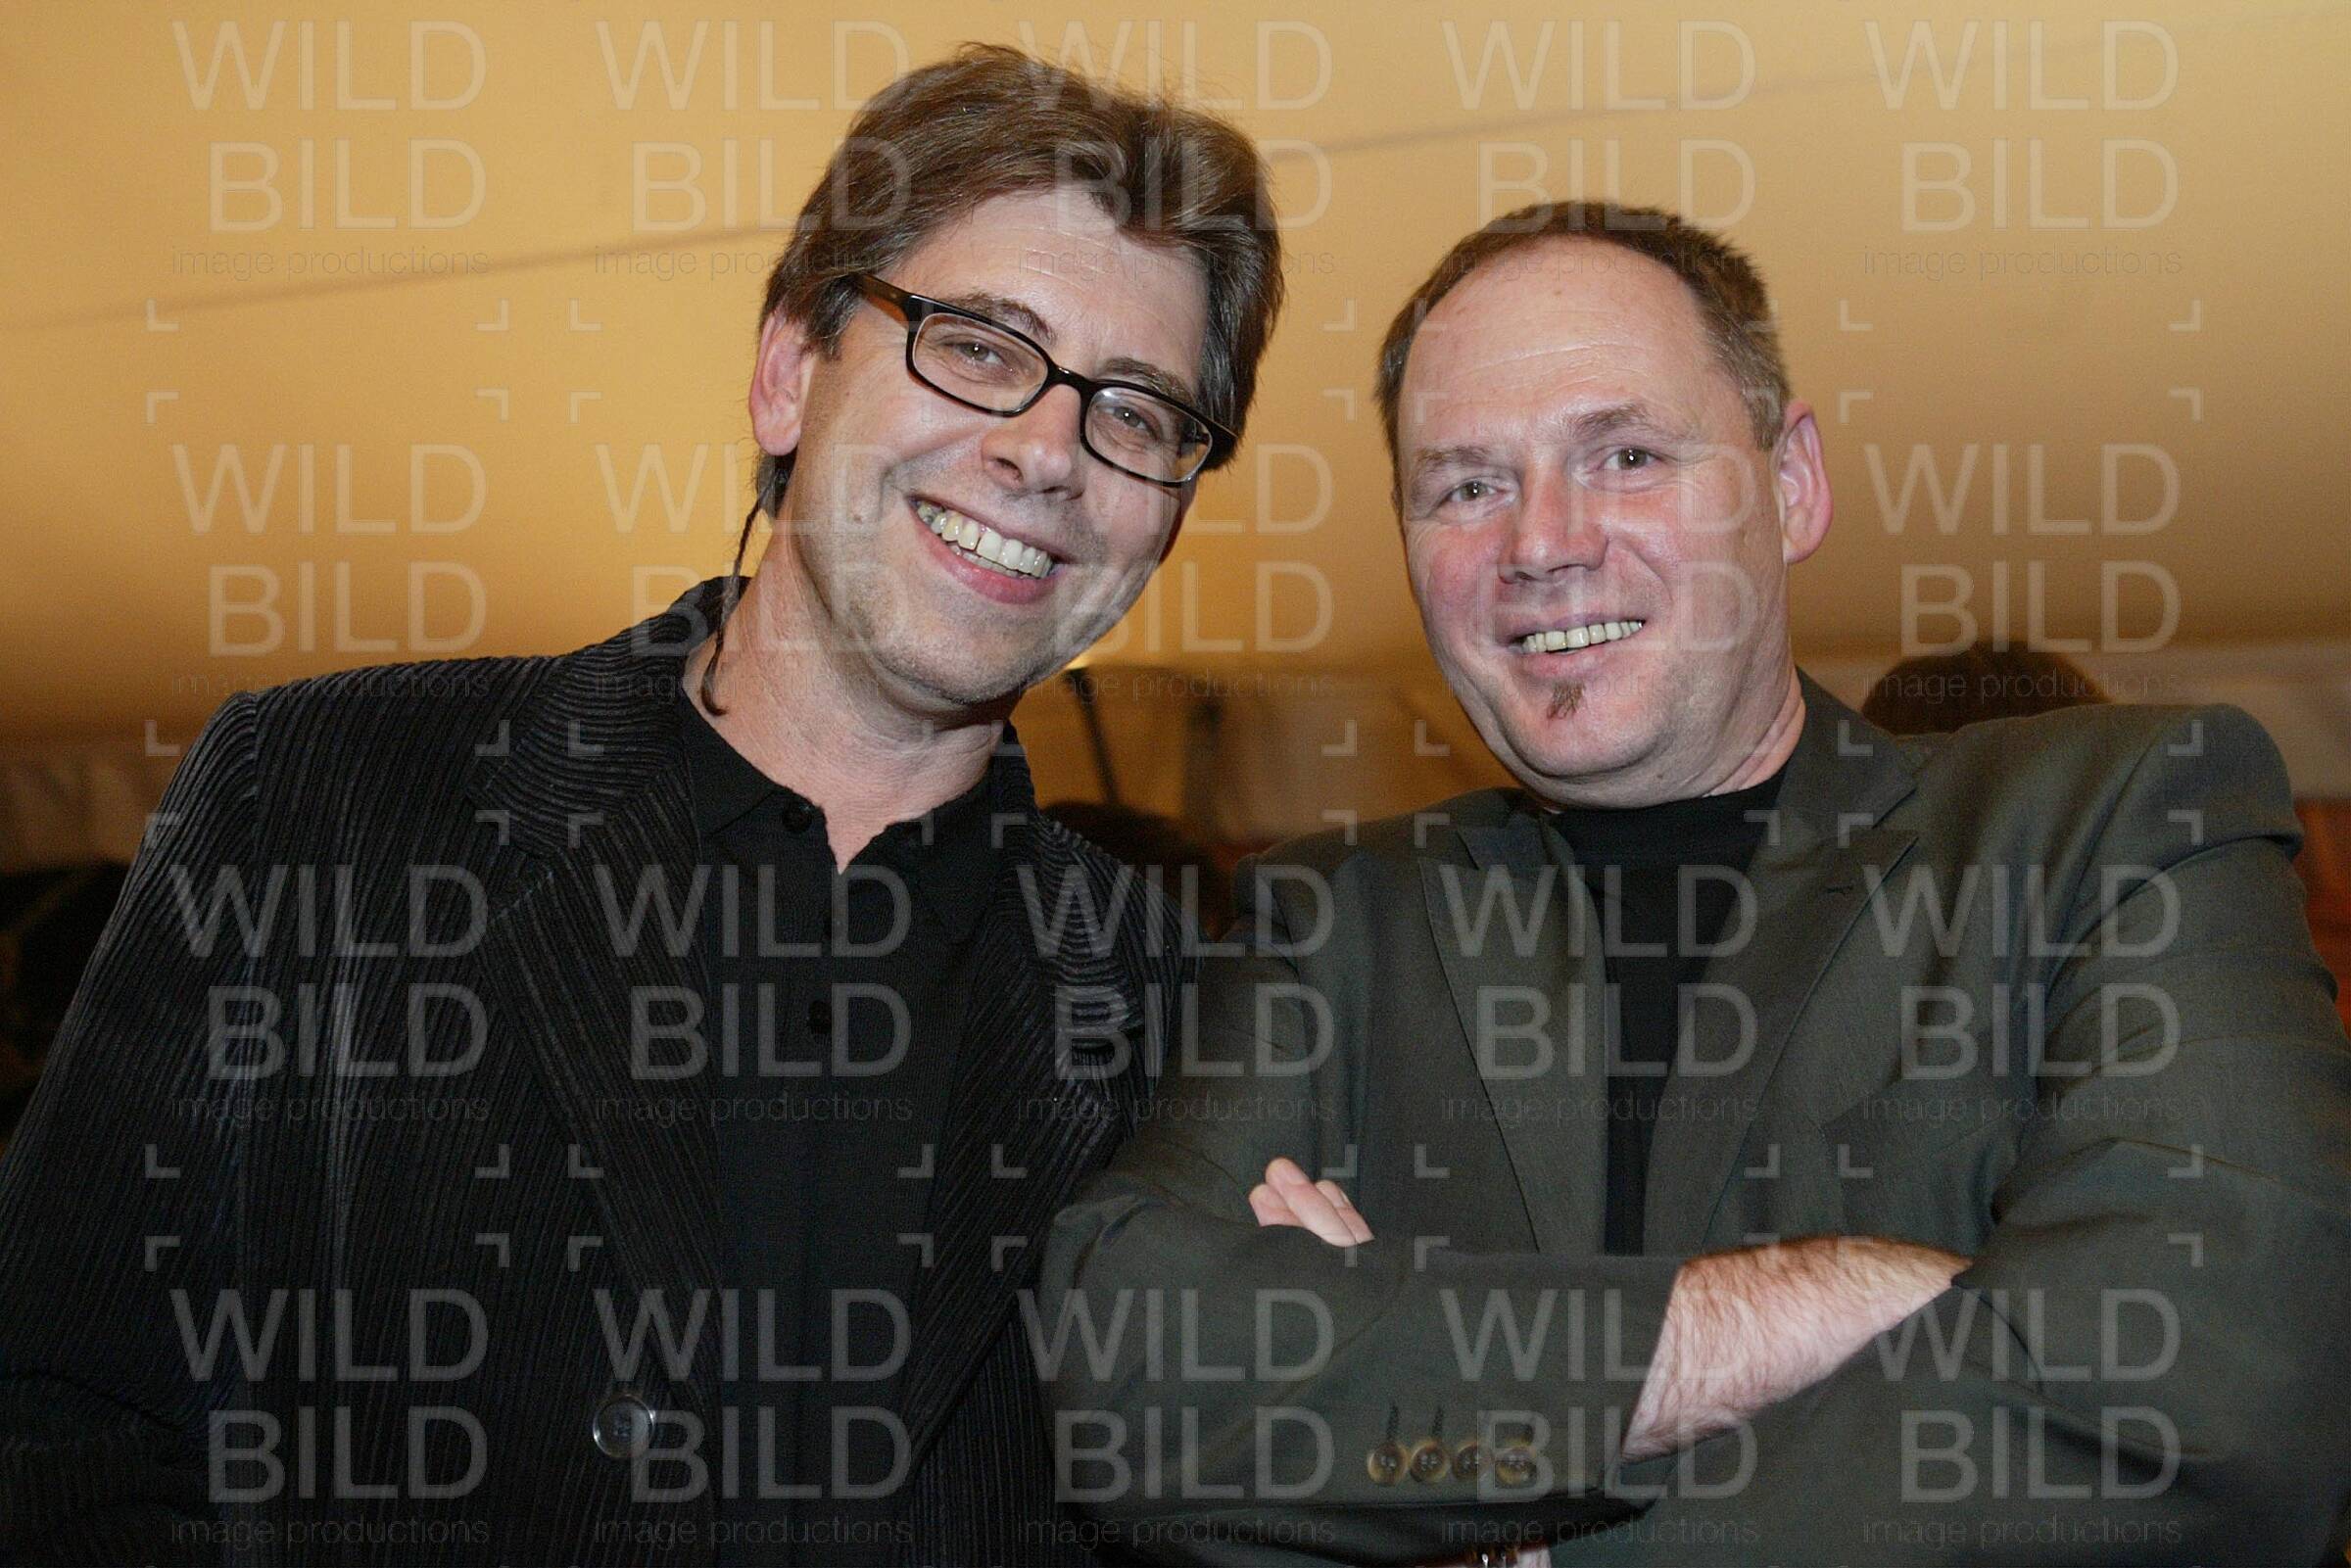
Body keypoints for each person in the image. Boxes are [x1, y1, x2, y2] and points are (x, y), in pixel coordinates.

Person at [0, 45, 1281, 1566]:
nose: (1048, 450)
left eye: (1138, 413)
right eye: (980, 345)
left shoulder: (1186, 1016)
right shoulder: (321, 799)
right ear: (789, 369)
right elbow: (52, 1428)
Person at [1043, 201, 2351, 1565]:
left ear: (1791, 485)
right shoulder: (1334, 925)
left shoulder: (2109, 824)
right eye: (1467, 485)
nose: (1542, 542)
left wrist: (1490, 1514)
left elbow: (2221, 1393)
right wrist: (1806, 1306)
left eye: (1625, 455)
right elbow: (1126, 1384)